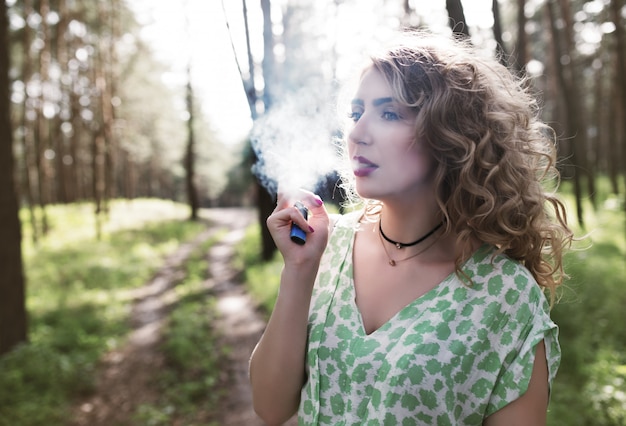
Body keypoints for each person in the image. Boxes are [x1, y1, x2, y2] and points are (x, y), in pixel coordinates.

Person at [249, 31, 573, 426]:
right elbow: (271, 407)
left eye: (389, 114)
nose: (356, 134)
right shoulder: (324, 245)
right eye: (356, 114)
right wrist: (298, 271)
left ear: (453, 135)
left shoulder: (505, 298)